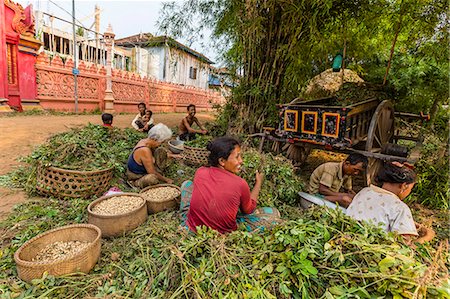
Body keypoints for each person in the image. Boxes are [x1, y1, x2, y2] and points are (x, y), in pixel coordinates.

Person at [180, 136, 281, 234]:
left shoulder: (200, 171)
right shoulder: (240, 183)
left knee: (187, 184)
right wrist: (258, 183)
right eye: (237, 157)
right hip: (222, 233)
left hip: (194, 228)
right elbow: (248, 210)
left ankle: (186, 223)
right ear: (222, 161)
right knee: (273, 213)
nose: (241, 160)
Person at [347, 162, 435, 244]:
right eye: (410, 189)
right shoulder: (399, 207)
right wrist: (427, 236)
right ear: (403, 186)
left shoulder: (364, 191)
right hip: (373, 248)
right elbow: (404, 245)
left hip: (348, 239)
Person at [126, 123, 174, 188]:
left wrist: (172, 155)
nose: (160, 144)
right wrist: (167, 180)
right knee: (152, 178)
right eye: (161, 142)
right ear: (155, 139)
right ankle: (136, 183)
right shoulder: (144, 150)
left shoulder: (145, 141)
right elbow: (151, 172)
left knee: (161, 150)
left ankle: (160, 175)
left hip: (144, 170)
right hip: (136, 176)